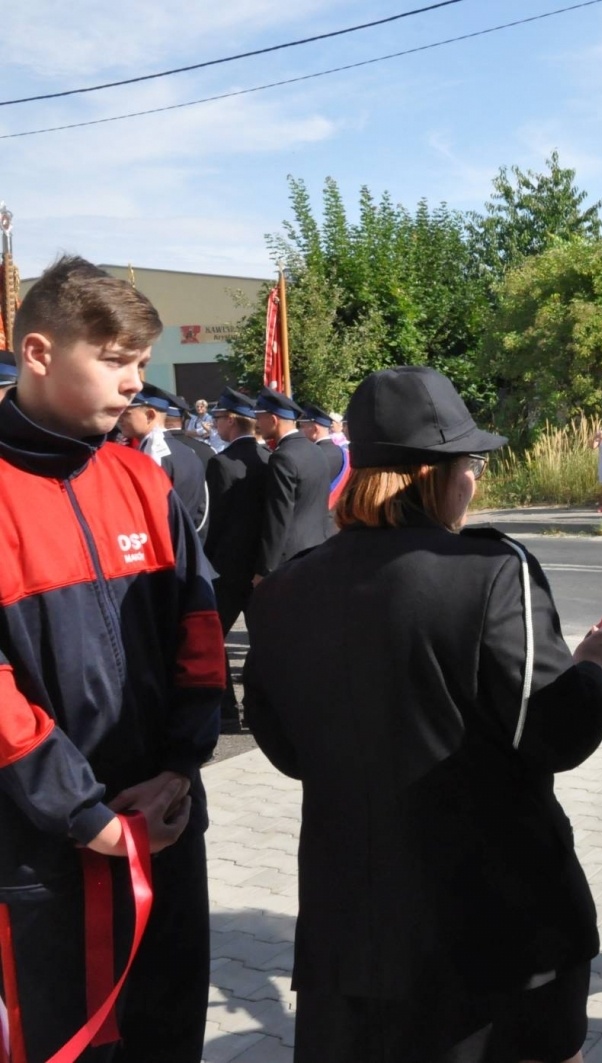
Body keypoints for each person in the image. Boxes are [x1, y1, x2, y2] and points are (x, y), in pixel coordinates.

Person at [244, 365, 602, 1063]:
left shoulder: (284, 589)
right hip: (495, 933)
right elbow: (555, 733)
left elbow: (285, 747)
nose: (473, 481)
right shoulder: (491, 571)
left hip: (351, 937)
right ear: (432, 473)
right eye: (468, 465)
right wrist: (597, 670)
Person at [0, 255, 224, 1060]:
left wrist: (180, 766)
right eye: (115, 360)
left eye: (142, 361)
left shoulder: (142, 479)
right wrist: (84, 814)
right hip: (42, 844)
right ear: (38, 352)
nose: (136, 382)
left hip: (164, 822)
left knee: (170, 1035)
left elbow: (200, 629)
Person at [205, 387, 271, 727]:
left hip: (228, 568)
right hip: (261, 565)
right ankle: (264, 706)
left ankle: (227, 710)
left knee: (213, 638)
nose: (216, 424)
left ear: (231, 421)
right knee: (264, 640)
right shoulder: (269, 458)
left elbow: (215, 521)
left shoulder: (221, 463)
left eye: (218, 418)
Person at [254, 387, 332, 580]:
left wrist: (266, 569)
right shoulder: (316, 450)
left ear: (273, 420)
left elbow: (278, 518)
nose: (257, 424)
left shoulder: (282, 457)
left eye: (260, 418)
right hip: (318, 548)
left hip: (290, 559)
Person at [119, 382, 211, 535]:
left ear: (150, 415)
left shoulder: (154, 454)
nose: (119, 419)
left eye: (126, 414)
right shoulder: (186, 451)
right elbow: (201, 512)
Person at [299, 402, 352, 520]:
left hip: (317, 518)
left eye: (303, 426)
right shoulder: (343, 452)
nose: (301, 431)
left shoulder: (312, 456)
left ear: (315, 429)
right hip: (339, 517)